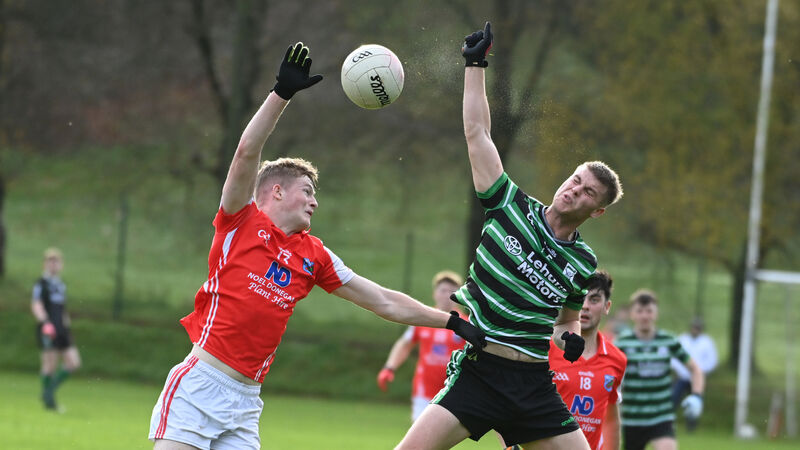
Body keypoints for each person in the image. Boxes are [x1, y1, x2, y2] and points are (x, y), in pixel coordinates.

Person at [147, 42, 486, 450]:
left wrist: (449, 321)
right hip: (200, 386)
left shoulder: (314, 256)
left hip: (245, 403)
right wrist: (281, 95)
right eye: (307, 191)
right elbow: (245, 153)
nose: (315, 201)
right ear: (275, 191)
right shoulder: (240, 221)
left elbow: (382, 300)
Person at [395, 22, 624, 450]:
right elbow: (477, 134)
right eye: (575, 179)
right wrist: (475, 65)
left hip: (533, 383)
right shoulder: (509, 204)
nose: (574, 189)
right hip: (480, 372)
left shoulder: (583, 262)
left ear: (597, 210)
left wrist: (570, 338)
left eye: (587, 192)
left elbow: (565, 320)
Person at [615, 290, 705, 450]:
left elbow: (695, 369)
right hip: (631, 419)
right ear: (632, 314)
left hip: (661, 417)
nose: (645, 316)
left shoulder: (668, 341)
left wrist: (697, 396)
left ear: (656, 313)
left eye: (649, 311)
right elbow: (607, 375)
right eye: (640, 311)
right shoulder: (621, 343)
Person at [548, 270, 627, 450]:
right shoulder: (546, 348)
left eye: (594, 300)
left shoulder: (617, 359)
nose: (584, 306)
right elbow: (511, 399)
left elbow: (611, 419)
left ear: (607, 306)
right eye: (580, 299)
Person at [377, 270, 466, 421]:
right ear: (434, 294)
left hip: (453, 391)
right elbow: (404, 344)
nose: (447, 295)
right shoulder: (423, 320)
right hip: (424, 392)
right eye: (443, 290)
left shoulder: (466, 324)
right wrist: (389, 367)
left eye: (452, 291)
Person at [31, 247, 82, 411]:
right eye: (50, 261)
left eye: (56, 261)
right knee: (50, 365)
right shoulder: (41, 283)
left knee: (74, 362)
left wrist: (67, 327)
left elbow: (62, 309)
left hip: (62, 329)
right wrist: (45, 322)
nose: (53, 264)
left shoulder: (60, 285)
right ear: (45, 264)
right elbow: (37, 305)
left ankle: (47, 392)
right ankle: (49, 402)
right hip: (48, 329)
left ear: (61, 265)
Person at [670, 317, 717, 432]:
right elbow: (674, 358)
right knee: (673, 399)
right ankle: (669, 423)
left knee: (695, 402)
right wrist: (681, 370)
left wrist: (699, 371)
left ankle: (691, 426)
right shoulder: (683, 339)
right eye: (694, 327)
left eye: (698, 328)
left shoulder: (707, 342)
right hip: (682, 377)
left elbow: (712, 360)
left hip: (697, 379)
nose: (695, 330)